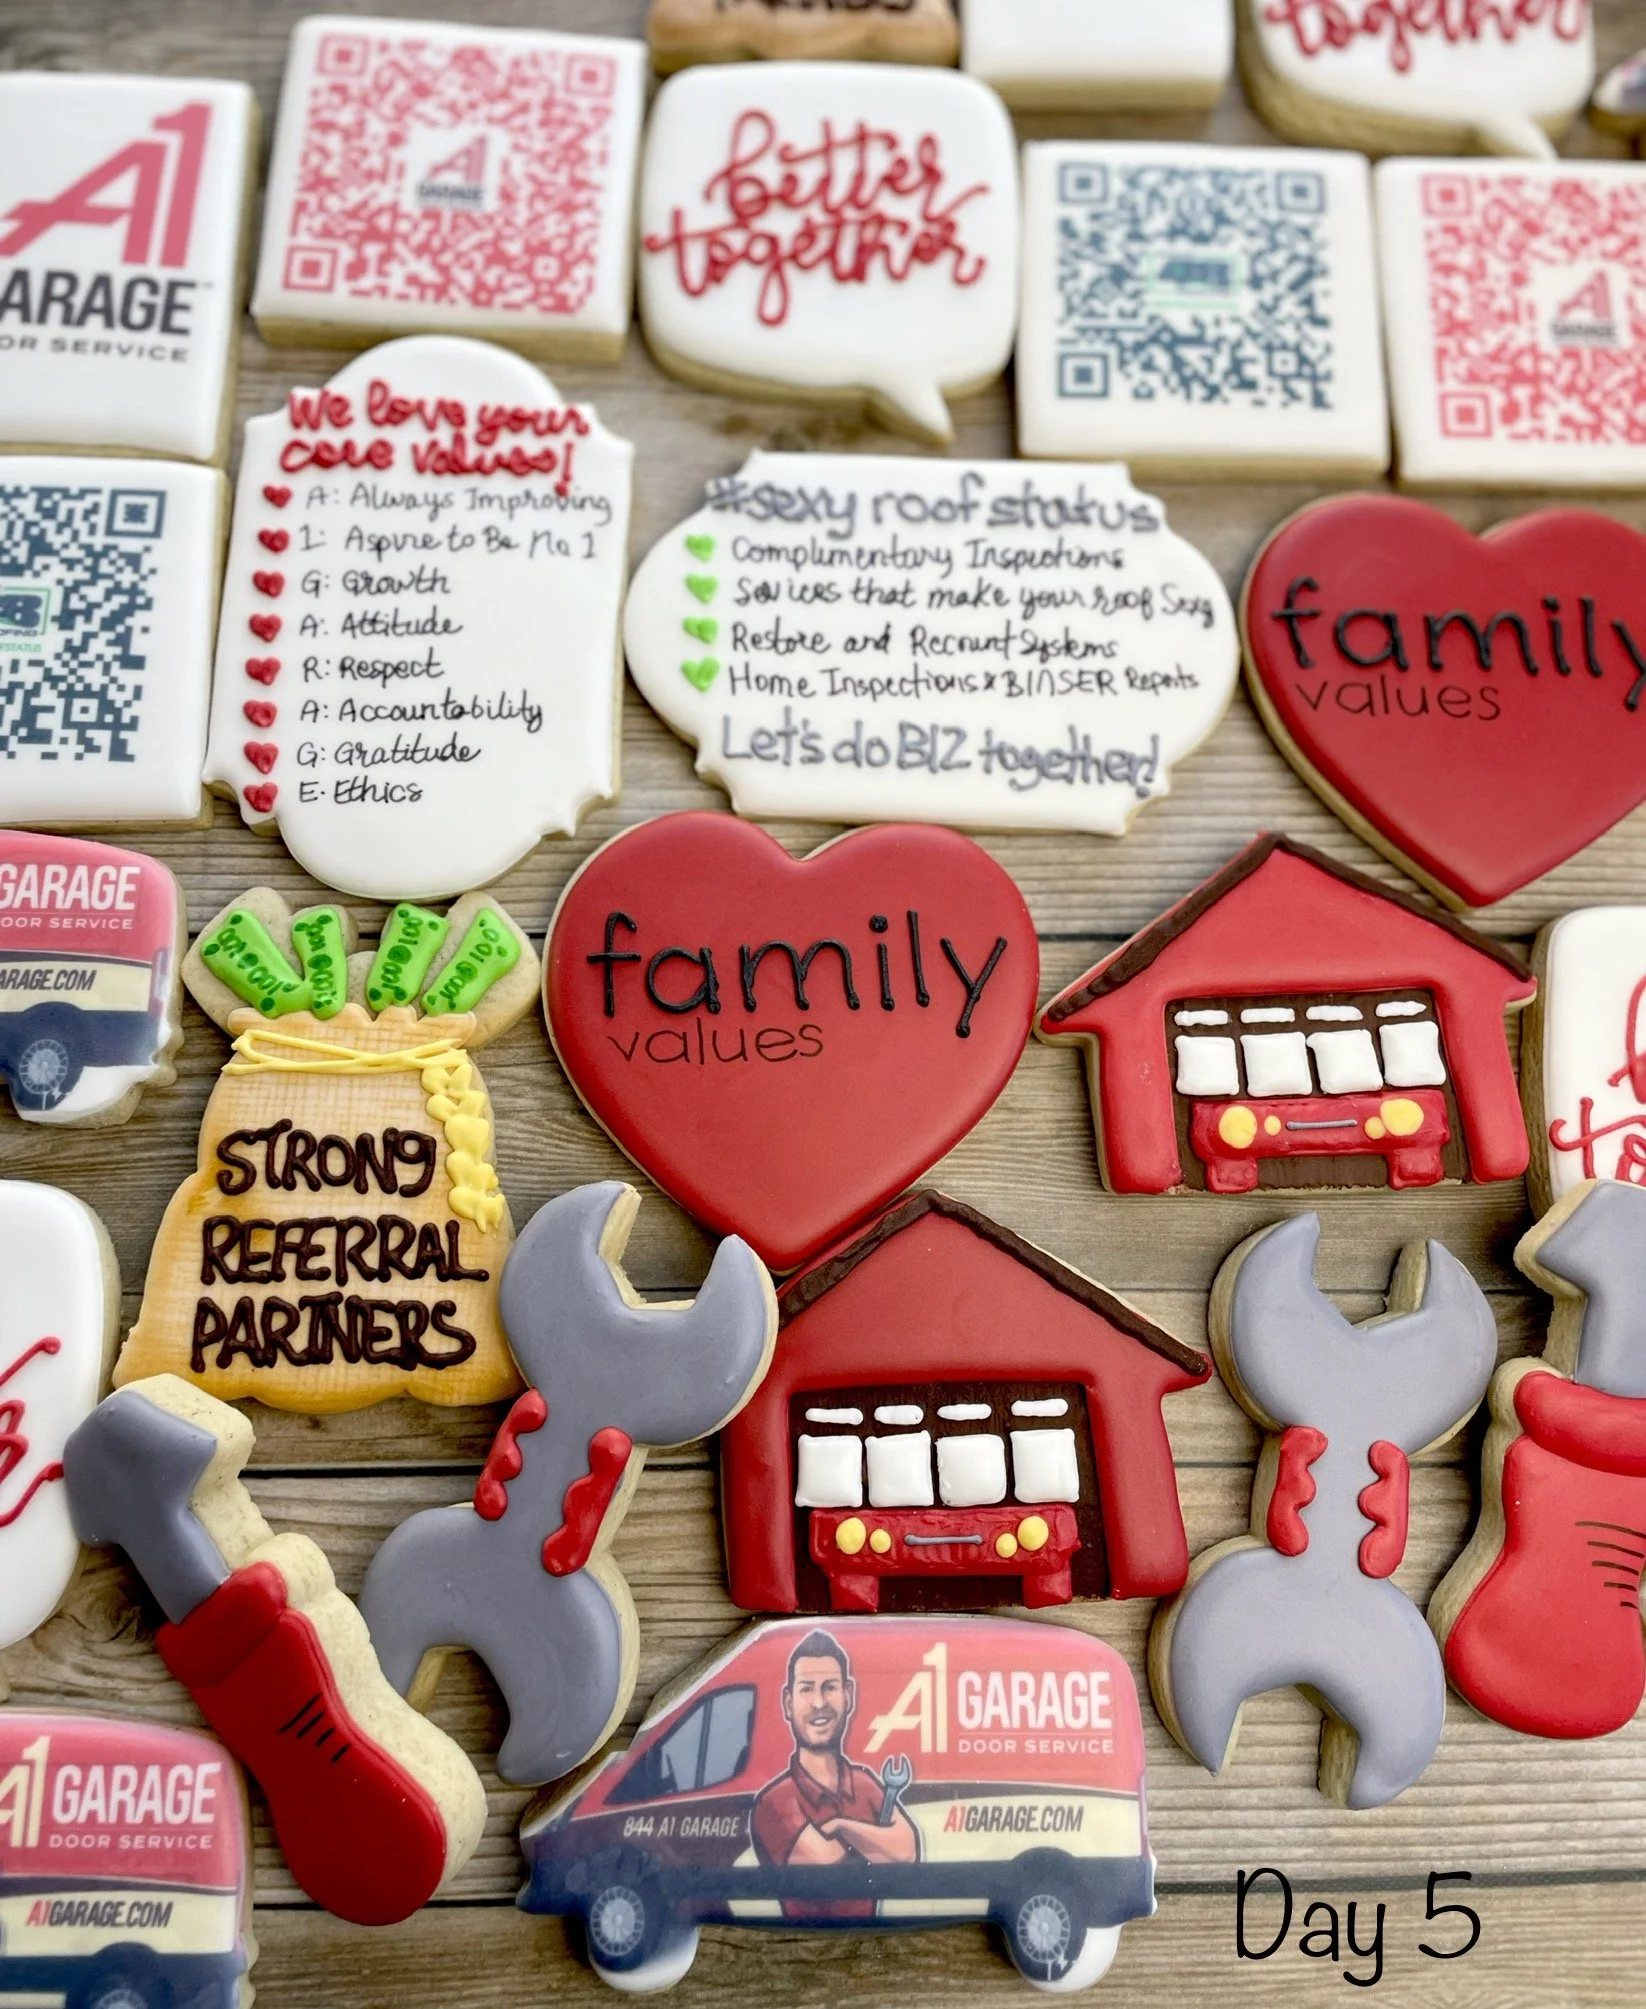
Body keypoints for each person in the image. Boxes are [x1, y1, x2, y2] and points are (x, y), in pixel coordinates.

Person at [750, 1628, 919, 1901]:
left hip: (876, 1930)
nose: (819, 1702)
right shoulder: (774, 1802)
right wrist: (877, 1843)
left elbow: (906, 1852)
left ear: (847, 1695)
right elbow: (828, 1867)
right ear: (788, 1703)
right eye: (807, 1689)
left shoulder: (864, 1783)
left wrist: (840, 1826)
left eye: (829, 1687)